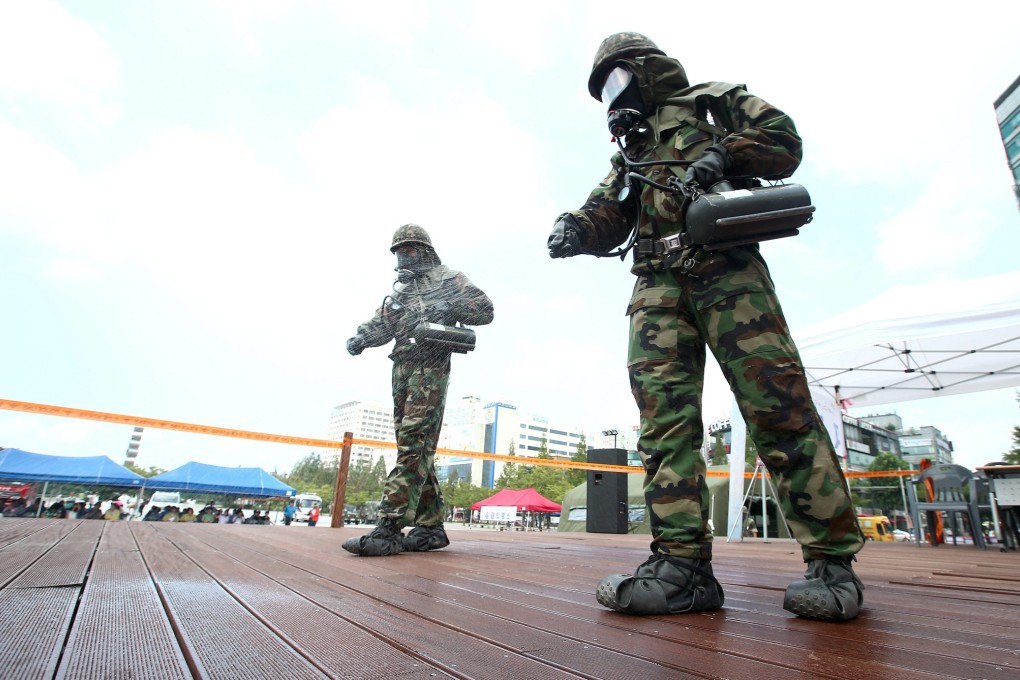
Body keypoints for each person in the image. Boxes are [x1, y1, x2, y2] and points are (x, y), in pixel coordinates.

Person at [548, 32, 864, 622]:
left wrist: (724, 154)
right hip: (656, 287)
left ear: (646, 71)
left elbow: (783, 140)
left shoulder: (711, 102)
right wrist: (577, 227)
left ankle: (832, 563)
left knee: (778, 406)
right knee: (663, 427)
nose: (614, 99)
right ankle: (682, 568)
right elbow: (609, 210)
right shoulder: (631, 153)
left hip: (727, 271)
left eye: (617, 81)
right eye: (604, 92)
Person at [343, 224, 494, 556]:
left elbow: (485, 309)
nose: (404, 258)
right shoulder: (401, 291)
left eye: (409, 250)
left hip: (430, 367)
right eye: (399, 252)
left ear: (425, 251)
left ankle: (389, 527)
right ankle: (430, 527)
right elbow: (382, 323)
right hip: (402, 366)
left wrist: (448, 307)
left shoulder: (449, 279)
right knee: (413, 445)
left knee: (413, 441)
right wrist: (361, 338)